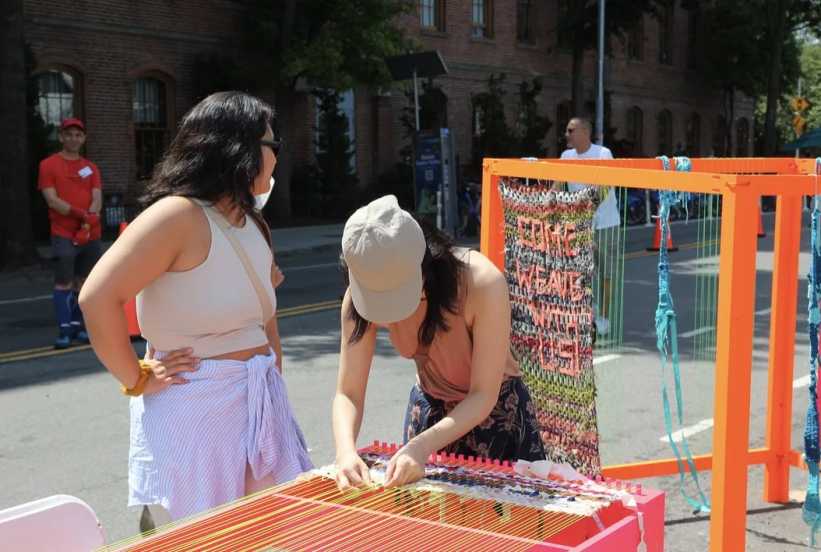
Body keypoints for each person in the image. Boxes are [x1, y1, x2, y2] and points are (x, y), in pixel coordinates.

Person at [78, 91, 311, 528]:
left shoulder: (252, 222)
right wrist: (135, 378)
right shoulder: (177, 217)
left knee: (262, 533)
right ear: (238, 149)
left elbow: (263, 319)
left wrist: (273, 377)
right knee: (195, 535)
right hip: (196, 414)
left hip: (257, 407)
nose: (277, 159)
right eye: (272, 146)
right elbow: (97, 297)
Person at [333, 195, 545, 489]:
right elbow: (348, 392)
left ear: (423, 269)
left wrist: (420, 447)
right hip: (429, 412)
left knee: (504, 526)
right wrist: (345, 453)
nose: (391, 319)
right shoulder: (359, 298)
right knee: (426, 529)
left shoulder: (480, 283)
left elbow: (483, 394)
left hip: (496, 416)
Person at [38, 118, 103, 349]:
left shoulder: (91, 167)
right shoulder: (48, 165)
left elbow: (97, 197)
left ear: (83, 139)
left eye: (78, 134)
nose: (73, 138)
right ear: (61, 137)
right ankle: (65, 331)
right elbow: (52, 200)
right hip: (63, 233)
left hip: (89, 234)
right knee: (64, 282)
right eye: (69, 134)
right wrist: (81, 215)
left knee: (84, 283)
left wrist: (88, 223)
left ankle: (79, 326)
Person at [559, 117, 620, 335]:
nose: (566, 134)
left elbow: (605, 187)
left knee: (606, 273)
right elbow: (557, 186)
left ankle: (603, 318)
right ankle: (586, 313)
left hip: (605, 224)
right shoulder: (566, 156)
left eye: (570, 130)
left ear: (584, 132)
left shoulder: (603, 154)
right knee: (579, 272)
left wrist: (587, 211)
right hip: (579, 226)